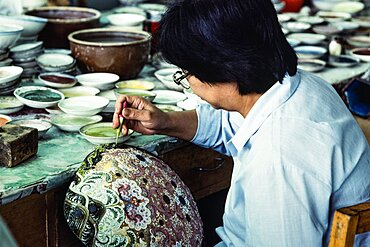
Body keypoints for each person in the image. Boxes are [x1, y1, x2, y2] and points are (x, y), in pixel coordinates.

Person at [113, 0, 370, 246]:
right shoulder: (298, 86)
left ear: (222, 68)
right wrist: (166, 121)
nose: (188, 83)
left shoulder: (278, 158)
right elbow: (230, 125)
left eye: (185, 73)